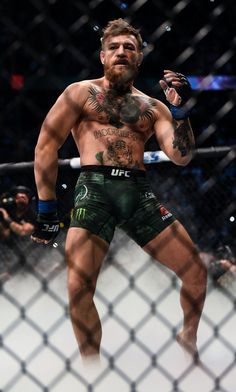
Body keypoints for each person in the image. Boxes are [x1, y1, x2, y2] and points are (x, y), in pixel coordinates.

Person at [31, 18, 207, 360]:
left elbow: (180, 156)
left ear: (139, 58)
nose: (121, 52)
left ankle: (188, 337)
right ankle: (92, 369)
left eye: (130, 47)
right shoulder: (79, 92)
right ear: (102, 56)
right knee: (78, 287)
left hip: (137, 192)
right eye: (114, 47)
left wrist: (181, 112)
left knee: (196, 273)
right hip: (93, 190)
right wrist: (47, 208)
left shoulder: (154, 107)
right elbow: (45, 148)